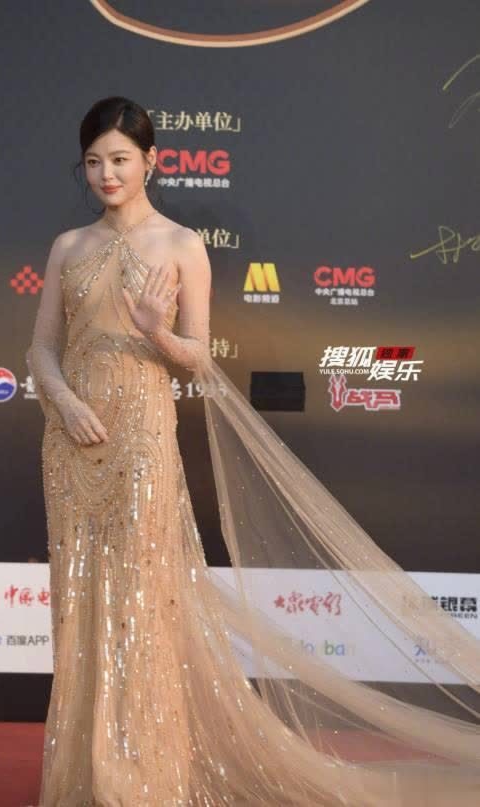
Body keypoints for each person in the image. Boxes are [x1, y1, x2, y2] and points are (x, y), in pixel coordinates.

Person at [26, 96, 480, 807]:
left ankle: (139, 781)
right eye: (93, 162)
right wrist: (64, 400)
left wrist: (155, 329)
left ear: (151, 161)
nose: (106, 174)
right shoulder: (67, 247)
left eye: (119, 159)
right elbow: (40, 350)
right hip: (71, 445)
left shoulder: (181, 245)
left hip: (141, 441)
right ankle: (85, 777)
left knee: (141, 606)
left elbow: (199, 359)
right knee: (78, 607)